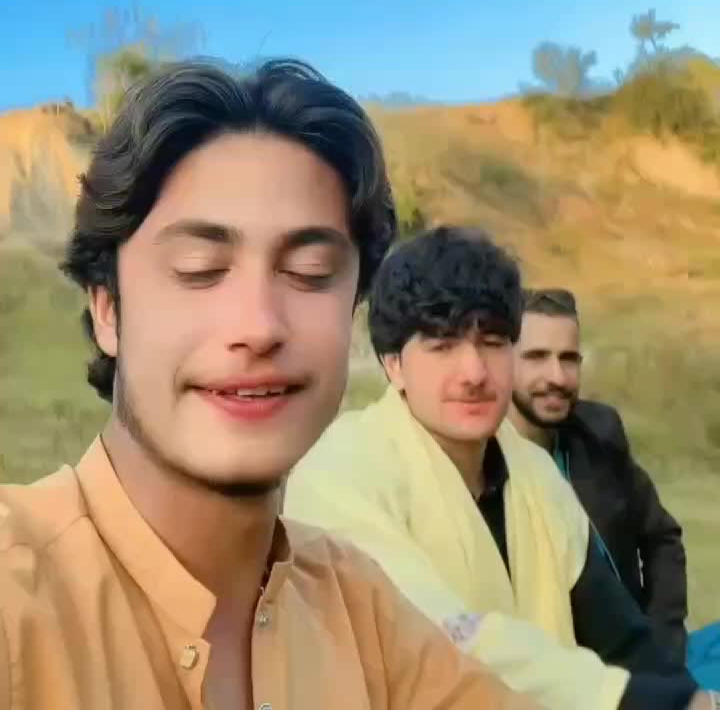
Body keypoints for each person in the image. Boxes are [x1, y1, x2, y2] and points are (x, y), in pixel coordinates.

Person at [0, 60, 540, 710]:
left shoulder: (357, 607)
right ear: (109, 309)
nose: (258, 326)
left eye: (310, 271)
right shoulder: (16, 592)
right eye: (200, 267)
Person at [285, 225, 714, 710]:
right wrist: (638, 699)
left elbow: (622, 639)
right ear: (394, 364)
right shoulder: (339, 471)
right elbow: (434, 641)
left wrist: (687, 698)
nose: (474, 372)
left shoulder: (535, 473)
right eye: (443, 345)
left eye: (492, 342)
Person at [508, 287, 687, 658]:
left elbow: (661, 537)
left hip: (642, 654)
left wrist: (665, 643)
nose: (557, 376)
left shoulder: (599, 431)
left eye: (568, 359)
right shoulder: (488, 466)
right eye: (537, 357)